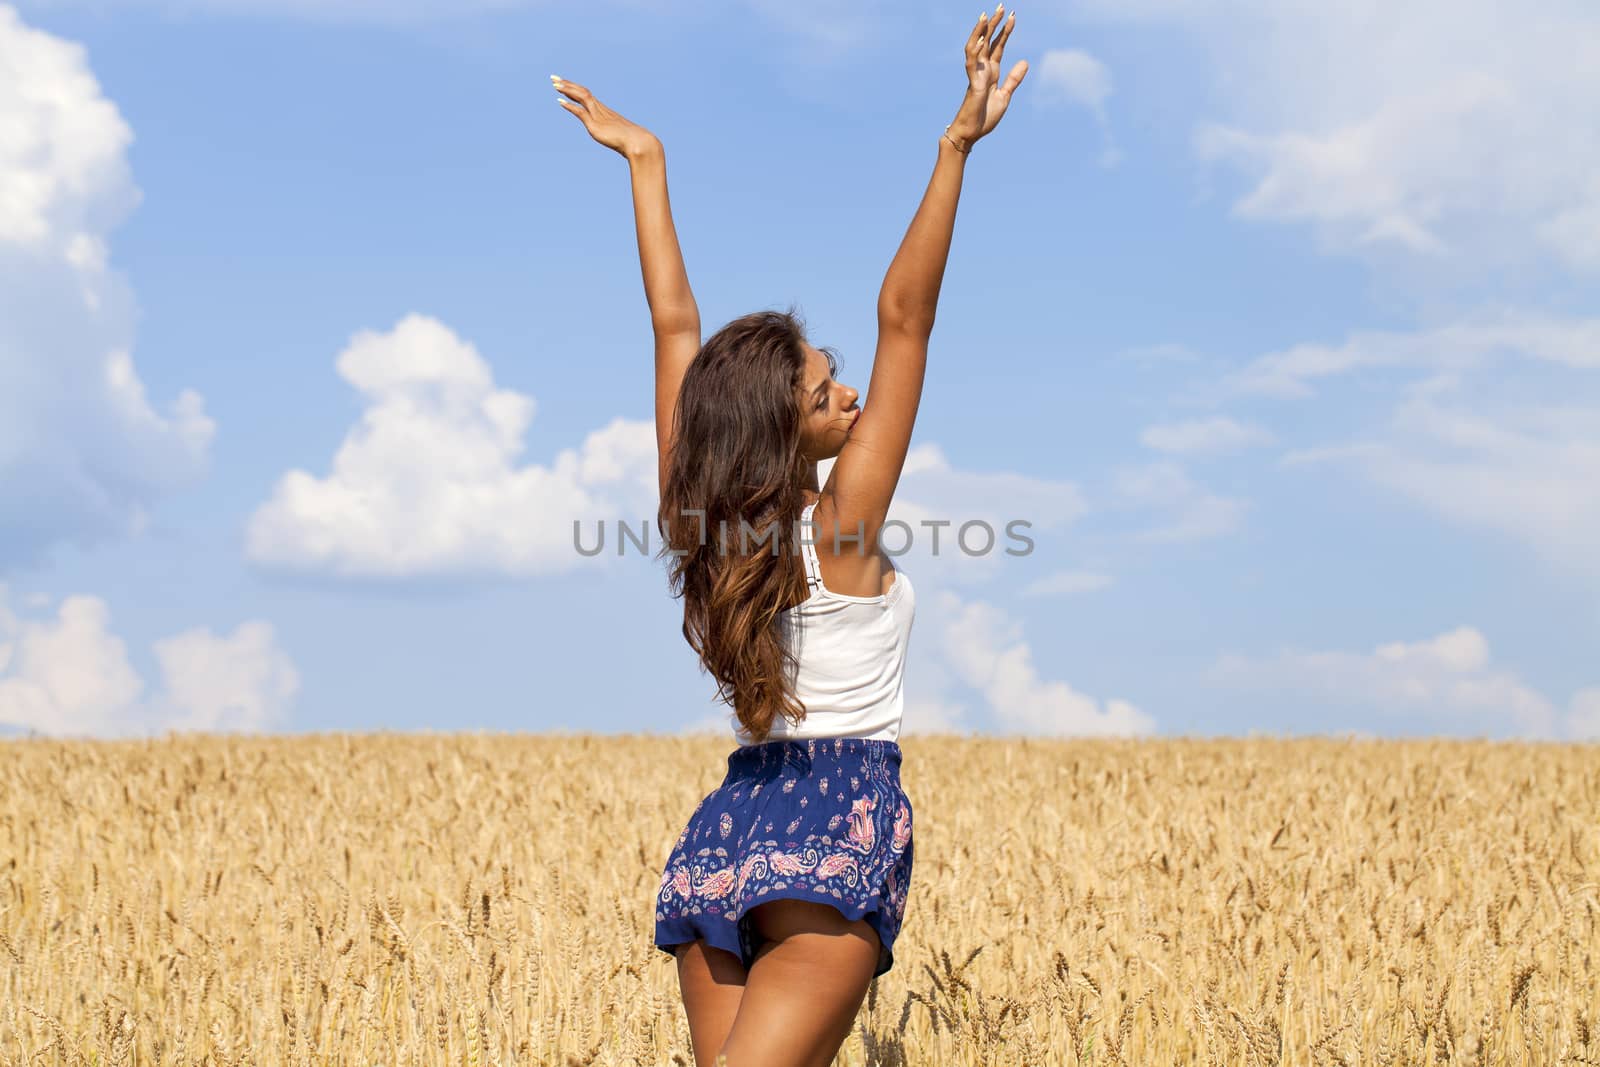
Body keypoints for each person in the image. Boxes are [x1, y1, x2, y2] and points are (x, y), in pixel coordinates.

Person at [554, 8, 1026, 1065]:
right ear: (786, 427)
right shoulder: (841, 528)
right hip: (833, 829)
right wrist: (954, 149)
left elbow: (676, 329)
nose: (848, 390)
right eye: (825, 390)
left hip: (729, 830)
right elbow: (907, 317)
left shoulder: (706, 525)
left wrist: (647, 162)